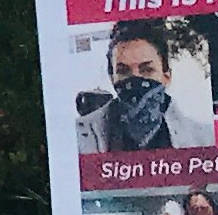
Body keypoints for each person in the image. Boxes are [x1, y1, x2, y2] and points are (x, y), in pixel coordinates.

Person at [77, 20, 210, 152]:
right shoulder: (79, 136)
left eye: (147, 70)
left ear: (166, 76)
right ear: (112, 78)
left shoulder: (203, 138)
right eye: (124, 71)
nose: (135, 77)